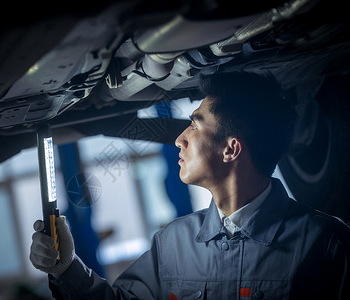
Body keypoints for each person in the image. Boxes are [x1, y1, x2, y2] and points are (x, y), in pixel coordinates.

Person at [30, 72, 350, 299]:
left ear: (231, 149)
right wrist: (65, 268)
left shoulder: (328, 245)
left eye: (194, 125)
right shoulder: (172, 244)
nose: (179, 138)